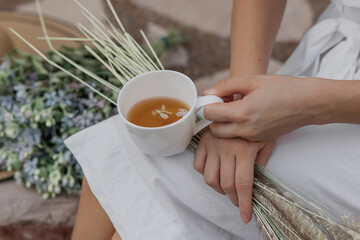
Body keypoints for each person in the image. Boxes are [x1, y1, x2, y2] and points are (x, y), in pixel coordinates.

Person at [67, 0, 360, 239]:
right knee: (122, 149)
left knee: (140, 184)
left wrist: (308, 105)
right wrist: (241, 94)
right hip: (338, 54)